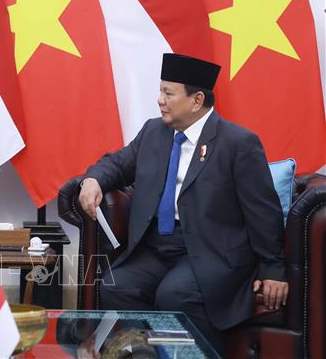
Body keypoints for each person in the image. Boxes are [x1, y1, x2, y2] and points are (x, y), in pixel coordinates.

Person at [79, 53, 288, 353]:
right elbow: (119, 163)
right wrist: (93, 180)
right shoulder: (154, 132)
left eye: (168, 93)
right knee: (117, 284)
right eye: (160, 91)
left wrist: (273, 269)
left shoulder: (237, 143)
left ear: (196, 99)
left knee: (175, 293)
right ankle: (145, 354)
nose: (160, 100)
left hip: (211, 250)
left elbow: (263, 213)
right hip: (159, 246)